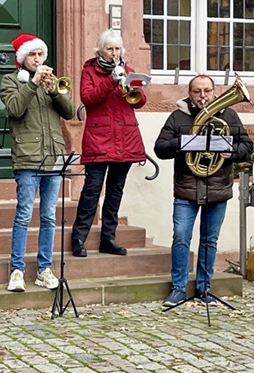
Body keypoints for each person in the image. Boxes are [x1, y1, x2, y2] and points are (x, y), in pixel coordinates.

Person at [153, 75, 253, 306]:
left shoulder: (228, 115)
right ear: (189, 94)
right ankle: (178, 288)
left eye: (207, 91)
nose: (202, 96)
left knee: (209, 240)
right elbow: (160, 148)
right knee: (181, 238)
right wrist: (183, 142)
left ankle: (204, 288)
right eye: (197, 91)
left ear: (215, 92)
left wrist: (233, 151)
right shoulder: (178, 117)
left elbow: (246, 145)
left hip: (217, 189)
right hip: (186, 189)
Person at [0, 33, 75, 292]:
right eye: (33, 55)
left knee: (49, 216)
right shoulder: (10, 81)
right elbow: (15, 109)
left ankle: (44, 269)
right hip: (28, 158)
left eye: (40, 54)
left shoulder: (50, 84)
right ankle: (17, 270)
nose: (38, 59)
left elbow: (70, 112)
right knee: (24, 215)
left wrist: (54, 91)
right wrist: (32, 84)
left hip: (53, 156)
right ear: (22, 58)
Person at [71, 29, 146, 258]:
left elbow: (140, 102)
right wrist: (112, 80)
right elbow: (88, 98)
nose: (114, 53)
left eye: (117, 49)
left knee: (115, 191)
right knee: (92, 190)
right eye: (110, 49)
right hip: (99, 139)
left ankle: (108, 238)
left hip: (125, 138)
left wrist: (131, 86)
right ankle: (79, 237)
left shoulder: (128, 71)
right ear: (100, 50)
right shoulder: (89, 70)